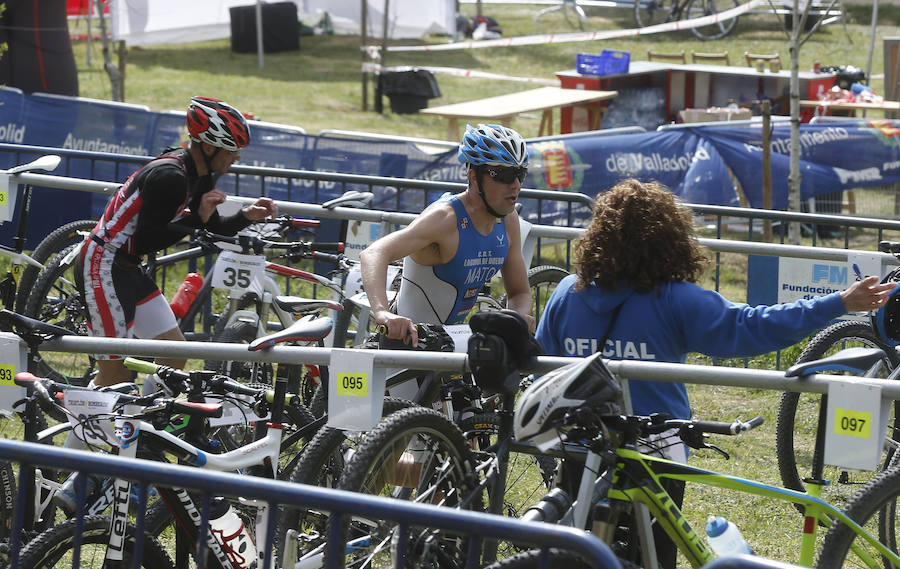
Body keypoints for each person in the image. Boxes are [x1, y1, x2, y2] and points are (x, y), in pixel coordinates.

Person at [534, 178, 893, 569]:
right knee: (649, 557)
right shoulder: (671, 298)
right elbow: (753, 327)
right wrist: (837, 302)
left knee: (573, 556)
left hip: (581, 446)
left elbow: (541, 368)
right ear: (667, 239)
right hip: (656, 451)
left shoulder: (566, 293)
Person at [78, 96, 278, 387]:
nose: (237, 158)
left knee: (174, 354)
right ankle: (85, 430)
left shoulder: (201, 174)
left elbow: (210, 224)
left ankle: (149, 423)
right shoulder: (170, 177)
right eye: (232, 150)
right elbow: (146, 240)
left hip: (127, 266)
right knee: (115, 374)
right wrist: (197, 217)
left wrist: (247, 215)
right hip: (104, 264)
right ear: (208, 147)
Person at [359, 123, 534, 348]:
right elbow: (373, 253)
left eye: (521, 174)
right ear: (474, 177)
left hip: (454, 340)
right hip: (407, 341)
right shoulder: (444, 218)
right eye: (506, 174)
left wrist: (516, 318)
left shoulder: (507, 220)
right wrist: (383, 314)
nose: (516, 184)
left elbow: (519, 292)